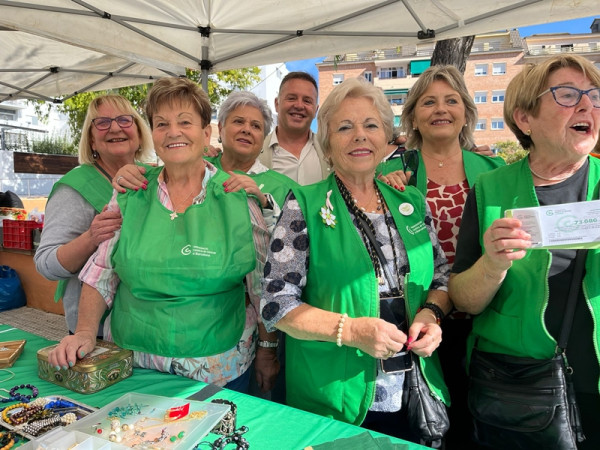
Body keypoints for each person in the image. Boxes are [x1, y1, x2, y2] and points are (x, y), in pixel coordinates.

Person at [49, 77, 279, 393]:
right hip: (135, 362)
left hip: (216, 367)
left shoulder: (237, 197)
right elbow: (102, 271)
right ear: (153, 134)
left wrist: (267, 349)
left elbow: (261, 287)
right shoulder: (130, 192)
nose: (173, 132)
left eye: (185, 122)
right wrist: (86, 332)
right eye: (161, 123)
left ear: (205, 133)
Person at [261, 77, 450, 442]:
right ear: (327, 142)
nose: (360, 136)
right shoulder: (304, 204)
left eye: (371, 125)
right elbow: (276, 303)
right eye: (345, 127)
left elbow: (442, 274)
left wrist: (431, 315)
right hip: (335, 396)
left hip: (414, 387)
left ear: (385, 138)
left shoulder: (409, 202)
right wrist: (351, 331)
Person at [449, 54, 600, 448]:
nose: (587, 105)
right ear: (524, 118)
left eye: (594, 95)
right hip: (518, 393)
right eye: (567, 95)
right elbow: (464, 299)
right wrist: (492, 265)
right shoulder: (489, 190)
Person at [378, 65, 504, 448]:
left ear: (466, 110)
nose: (440, 109)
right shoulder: (389, 172)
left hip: (486, 319)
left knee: (480, 424)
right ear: (413, 114)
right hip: (421, 319)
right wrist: (382, 183)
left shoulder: (494, 169)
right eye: (428, 102)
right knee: (432, 424)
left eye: (451, 100)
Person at [35, 95, 154, 336]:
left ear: (140, 133)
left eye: (124, 120)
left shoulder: (155, 177)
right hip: (96, 330)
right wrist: (91, 238)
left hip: (150, 323)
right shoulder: (75, 187)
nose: (114, 127)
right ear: (91, 140)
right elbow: (46, 264)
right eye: (102, 123)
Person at [259, 71, 330, 184]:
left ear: (316, 110)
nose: (299, 106)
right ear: (277, 104)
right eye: (291, 98)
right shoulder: (255, 152)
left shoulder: (330, 151)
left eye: (307, 101)